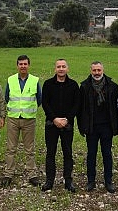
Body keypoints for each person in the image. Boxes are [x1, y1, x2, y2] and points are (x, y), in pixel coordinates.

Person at [77, 61, 118, 193]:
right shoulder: (84, 86)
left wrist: (116, 126)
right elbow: (81, 109)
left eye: (99, 70)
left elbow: (117, 108)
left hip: (107, 126)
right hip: (91, 127)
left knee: (107, 154)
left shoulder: (112, 86)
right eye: (94, 70)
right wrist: (81, 126)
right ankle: (91, 181)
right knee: (91, 154)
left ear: (103, 70)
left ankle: (108, 181)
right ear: (91, 71)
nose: (96, 73)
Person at [2, 54, 42, 187]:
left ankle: (32, 174)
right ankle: (8, 174)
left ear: (28, 65)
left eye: (25, 64)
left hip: (29, 120)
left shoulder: (35, 80)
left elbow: (39, 99)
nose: (23, 66)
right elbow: (7, 97)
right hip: (13, 118)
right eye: (21, 64)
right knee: (10, 148)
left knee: (29, 149)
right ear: (17, 65)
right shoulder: (11, 80)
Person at [41, 59, 80, 192]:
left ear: (67, 68)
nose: (61, 69)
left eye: (63, 66)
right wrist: (55, 119)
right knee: (50, 153)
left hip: (67, 124)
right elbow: (45, 103)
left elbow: (76, 104)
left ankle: (68, 181)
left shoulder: (74, 85)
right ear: (55, 69)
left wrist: (67, 119)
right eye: (59, 67)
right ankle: (49, 181)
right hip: (51, 124)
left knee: (67, 153)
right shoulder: (48, 84)